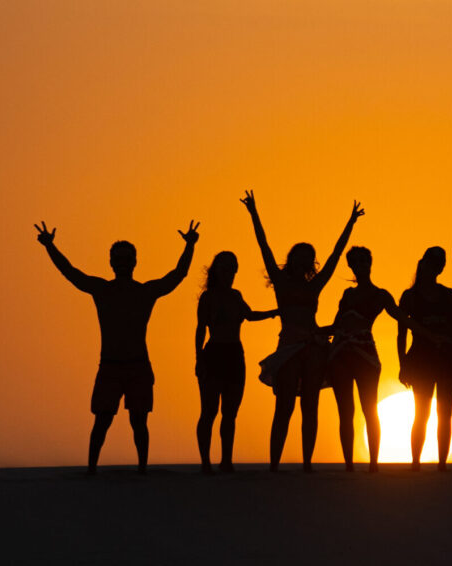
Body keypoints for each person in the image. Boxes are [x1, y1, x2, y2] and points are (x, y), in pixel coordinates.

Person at [34, 220, 199, 475]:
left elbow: (177, 275)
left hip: (138, 366)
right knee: (102, 420)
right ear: (111, 263)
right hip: (110, 367)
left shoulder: (144, 292)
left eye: (127, 259)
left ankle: (142, 469)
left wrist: (189, 247)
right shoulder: (103, 289)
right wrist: (50, 247)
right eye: (118, 259)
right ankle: (91, 470)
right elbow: (71, 273)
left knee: (139, 421)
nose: (122, 263)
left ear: (134, 262)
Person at [241, 191, 363, 472]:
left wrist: (351, 222)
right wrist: (254, 213)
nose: (302, 261)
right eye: (298, 256)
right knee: (284, 406)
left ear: (310, 263)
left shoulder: (315, 285)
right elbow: (264, 247)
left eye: (308, 258)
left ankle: (307, 464)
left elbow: (334, 256)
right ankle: (274, 464)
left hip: (314, 347)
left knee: (311, 405)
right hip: (288, 346)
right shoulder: (281, 282)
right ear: (292, 258)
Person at [327, 246, 431, 472]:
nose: (361, 266)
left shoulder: (380, 295)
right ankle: (349, 465)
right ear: (351, 266)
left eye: (364, 261)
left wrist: (428, 333)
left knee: (369, 409)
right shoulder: (348, 294)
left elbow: (401, 318)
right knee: (345, 411)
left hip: (365, 354)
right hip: (341, 352)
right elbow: (336, 325)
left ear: (370, 264)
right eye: (356, 262)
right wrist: (312, 331)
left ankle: (373, 464)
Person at [194, 251, 278, 474]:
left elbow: (249, 315)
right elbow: (201, 328)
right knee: (209, 410)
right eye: (225, 269)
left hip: (234, 355)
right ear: (216, 271)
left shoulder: (235, 296)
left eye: (233, 269)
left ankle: (226, 460)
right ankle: (205, 461)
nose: (229, 273)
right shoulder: (208, 297)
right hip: (213, 354)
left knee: (230, 412)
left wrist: (273, 313)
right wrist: (198, 358)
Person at [398, 246, 452, 471]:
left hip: (446, 360)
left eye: (439, 263)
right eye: (432, 261)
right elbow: (401, 332)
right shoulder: (410, 296)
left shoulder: (449, 295)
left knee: (444, 414)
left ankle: (442, 464)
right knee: (421, 413)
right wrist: (403, 364)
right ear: (423, 262)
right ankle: (415, 463)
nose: (435, 266)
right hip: (421, 360)